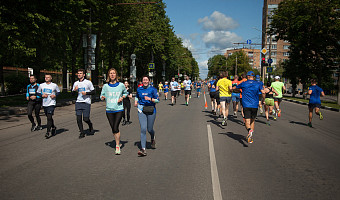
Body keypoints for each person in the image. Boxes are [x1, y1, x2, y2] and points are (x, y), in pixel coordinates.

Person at [100, 68, 127, 155]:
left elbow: (125, 93)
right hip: (109, 110)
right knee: (113, 129)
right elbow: (101, 95)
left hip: (119, 109)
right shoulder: (105, 86)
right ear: (109, 75)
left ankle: (117, 146)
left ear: (116, 75)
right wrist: (102, 97)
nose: (112, 75)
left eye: (114, 73)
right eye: (111, 73)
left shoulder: (121, 85)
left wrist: (122, 98)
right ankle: (117, 141)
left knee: (115, 127)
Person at [233, 71, 265, 144]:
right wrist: (263, 100)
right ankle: (250, 136)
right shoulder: (258, 84)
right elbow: (263, 92)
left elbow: (235, 88)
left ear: (247, 76)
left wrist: (232, 89)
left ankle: (249, 130)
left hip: (246, 105)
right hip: (255, 105)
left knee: (247, 121)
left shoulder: (244, 84)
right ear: (253, 77)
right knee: (252, 121)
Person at [135, 76, 159, 156]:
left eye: (146, 80)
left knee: (149, 129)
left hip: (151, 110)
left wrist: (150, 99)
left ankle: (152, 137)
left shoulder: (153, 89)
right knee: (143, 129)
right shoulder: (139, 89)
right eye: (143, 80)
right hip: (141, 110)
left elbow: (157, 100)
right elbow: (137, 96)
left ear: (149, 81)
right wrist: (136, 102)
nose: (145, 81)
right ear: (142, 81)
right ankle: (143, 149)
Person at [72, 69, 95, 139]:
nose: (79, 74)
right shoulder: (76, 83)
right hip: (78, 102)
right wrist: (74, 90)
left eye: (80, 73)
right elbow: (72, 94)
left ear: (84, 75)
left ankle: (90, 125)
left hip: (86, 102)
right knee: (78, 119)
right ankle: (82, 132)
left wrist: (86, 93)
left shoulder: (88, 82)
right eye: (78, 73)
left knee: (85, 119)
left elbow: (94, 92)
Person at [37, 74, 60, 138]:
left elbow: (58, 92)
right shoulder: (41, 85)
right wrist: (42, 95)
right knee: (49, 117)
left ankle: (48, 132)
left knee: (49, 117)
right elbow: (38, 92)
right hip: (45, 103)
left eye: (48, 77)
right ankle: (53, 127)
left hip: (52, 103)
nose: (46, 78)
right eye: (45, 77)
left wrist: (55, 95)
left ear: (51, 78)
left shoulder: (54, 85)